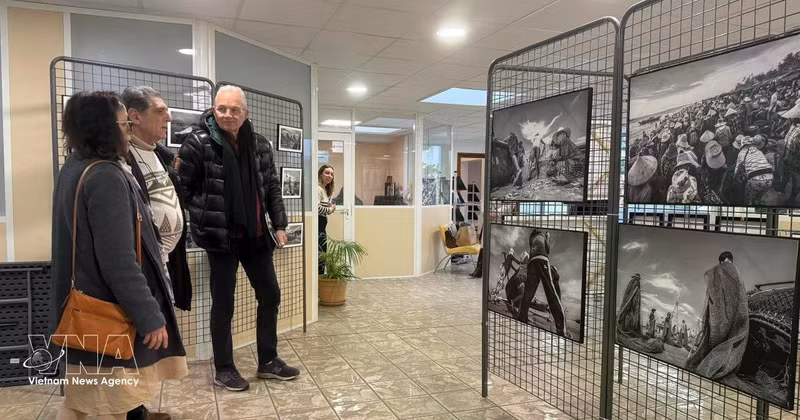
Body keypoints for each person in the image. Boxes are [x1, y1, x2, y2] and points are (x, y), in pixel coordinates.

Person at [51, 91, 187, 420]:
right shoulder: (106, 176)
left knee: (85, 400)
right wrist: (150, 317)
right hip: (107, 311)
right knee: (107, 402)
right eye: (123, 122)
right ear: (105, 126)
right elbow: (119, 261)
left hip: (85, 305)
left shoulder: (76, 167)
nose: (128, 128)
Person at [178, 85, 299, 392]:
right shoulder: (198, 142)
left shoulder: (259, 144)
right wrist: (203, 213)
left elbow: (272, 186)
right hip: (221, 239)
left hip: (256, 235)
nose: (228, 115)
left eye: (234, 110)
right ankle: (224, 368)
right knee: (224, 304)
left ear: (245, 113)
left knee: (270, 294)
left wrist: (280, 224)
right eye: (222, 109)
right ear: (213, 110)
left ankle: (268, 362)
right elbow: (182, 189)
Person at [121, 86, 192, 312]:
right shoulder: (121, 160)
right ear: (135, 116)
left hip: (167, 265)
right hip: (142, 270)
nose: (169, 117)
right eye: (160, 111)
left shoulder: (161, 156)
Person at [686, 252, 749, 379]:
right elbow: (740, 296)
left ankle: (708, 363)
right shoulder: (733, 269)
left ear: (722, 260)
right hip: (736, 316)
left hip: (716, 318)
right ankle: (720, 365)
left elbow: (712, 296)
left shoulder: (715, 272)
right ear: (730, 259)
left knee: (713, 341)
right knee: (733, 340)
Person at [517, 230, 566, 337]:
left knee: (528, 293)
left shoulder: (532, 240)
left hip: (532, 262)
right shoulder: (543, 236)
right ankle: (560, 328)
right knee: (551, 291)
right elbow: (547, 250)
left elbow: (532, 251)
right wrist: (548, 237)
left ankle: (522, 318)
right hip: (542, 259)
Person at [735, 136, 774, 205]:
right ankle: (757, 203)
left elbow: (737, 169)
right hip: (770, 178)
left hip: (755, 179)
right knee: (758, 196)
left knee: (748, 198)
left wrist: (734, 177)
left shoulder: (741, 153)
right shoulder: (759, 151)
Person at [318, 165, 336, 275]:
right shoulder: (318, 188)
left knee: (323, 251)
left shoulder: (324, 189)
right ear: (320, 174)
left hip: (322, 224)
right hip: (319, 223)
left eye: (332, 174)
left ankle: (320, 278)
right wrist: (330, 209)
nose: (329, 176)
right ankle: (318, 280)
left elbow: (321, 206)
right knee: (321, 252)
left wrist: (328, 206)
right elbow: (317, 208)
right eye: (327, 173)